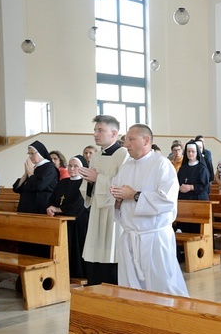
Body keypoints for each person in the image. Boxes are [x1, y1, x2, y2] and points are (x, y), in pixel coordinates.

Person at [110, 124, 188, 296]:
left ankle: (172, 320)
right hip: (130, 237)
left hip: (155, 238)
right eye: (125, 140)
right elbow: (118, 197)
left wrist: (135, 195)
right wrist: (117, 200)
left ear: (146, 140)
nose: (126, 145)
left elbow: (167, 200)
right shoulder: (126, 166)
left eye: (131, 140)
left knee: (164, 287)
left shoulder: (162, 164)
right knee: (131, 289)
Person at [78, 115, 129, 286]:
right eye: (95, 130)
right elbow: (88, 188)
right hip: (96, 211)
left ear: (114, 133)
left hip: (112, 213)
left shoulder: (123, 155)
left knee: (112, 253)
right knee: (95, 254)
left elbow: (123, 185)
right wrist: (91, 181)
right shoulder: (96, 156)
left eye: (100, 130)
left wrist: (98, 178)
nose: (95, 134)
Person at [46, 156, 89, 280]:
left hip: (78, 223)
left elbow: (80, 204)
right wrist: (50, 207)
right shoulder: (63, 182)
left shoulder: (85, 183)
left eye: (75, 166)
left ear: (83, 168)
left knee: (76, 249)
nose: (71, 168)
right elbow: (53, 198)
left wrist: (59, 209)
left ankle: (78, 275)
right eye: (70, 166)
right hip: (62, 222)